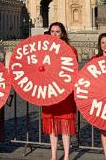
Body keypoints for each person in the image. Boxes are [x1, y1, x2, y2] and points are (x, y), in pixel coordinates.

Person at [42, 22, 77, 160]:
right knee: (52, 125)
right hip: (50, 91)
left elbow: (73, 71)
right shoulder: (44, 51)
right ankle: (53, 156)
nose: (55, 34)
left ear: (62, 33)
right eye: (52, 31)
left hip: (65, 92)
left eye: (57, 31)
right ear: (49, 33)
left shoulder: (70, 49)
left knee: (65, 125)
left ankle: (67, 156)